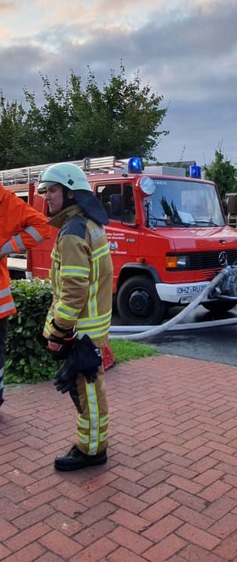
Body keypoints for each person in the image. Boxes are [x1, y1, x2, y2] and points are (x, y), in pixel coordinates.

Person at [37, 163, 114, 471]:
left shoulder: (71, 233)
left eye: (52, 191)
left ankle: (92, 451)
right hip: (92, 328)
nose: (47, 198)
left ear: (71, 193)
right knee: (89, 389)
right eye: (46, 191)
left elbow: (72, 293)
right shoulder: (88, 224)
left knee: (88, 392)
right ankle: (93, 442)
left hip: (81, 331)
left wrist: (57, 332)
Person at [0, 184, 53, 409]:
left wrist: (5, 249)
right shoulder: (5, 200)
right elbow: (41, 227)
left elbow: (42, 227)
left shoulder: (5, 200)